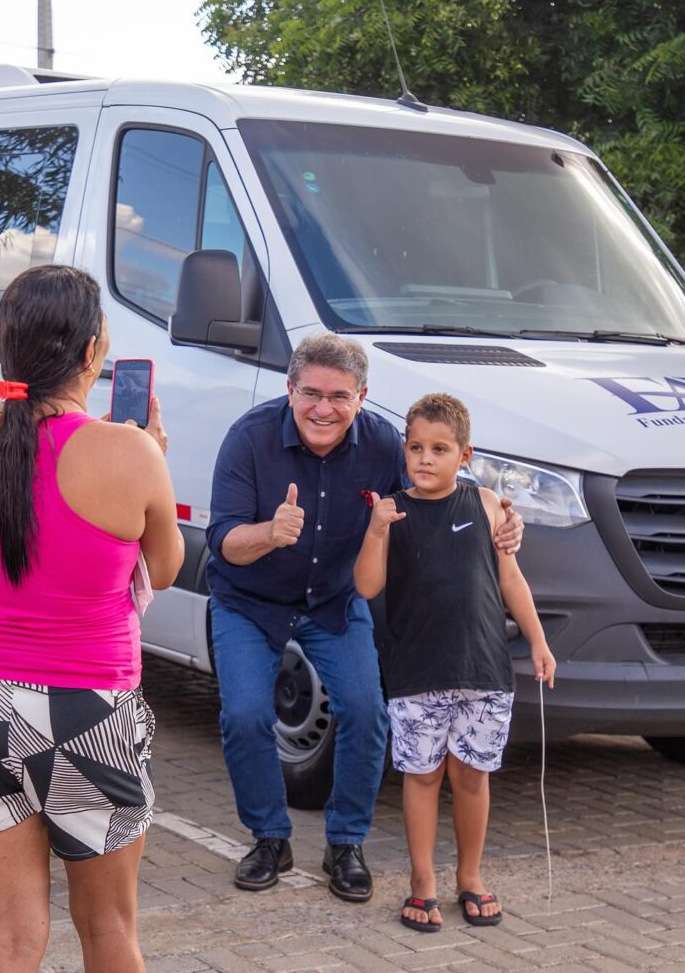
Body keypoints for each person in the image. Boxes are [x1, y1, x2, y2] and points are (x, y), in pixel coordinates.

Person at [0, 265, 184, 973]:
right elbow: (159, 571)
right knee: (107, 932)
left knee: (6, 940)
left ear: (5, 346)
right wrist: (150, 459)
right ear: (93, 351)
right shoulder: (127, 450)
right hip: (85, 706)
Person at [205, 334, 523, 901]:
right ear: (290, 389)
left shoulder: (381, 444)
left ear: (361, 396)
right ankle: (270, 838)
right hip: (250, 602)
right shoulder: (248, 439)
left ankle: (345, 844)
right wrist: (268, 534)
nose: (323, 408)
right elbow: (223, 541)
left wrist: (500, 517)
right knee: (247, 715)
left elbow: (438, 482)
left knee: (367, 712)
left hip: (333, 600)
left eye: (338, 396)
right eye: (311, 393)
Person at [354, 392, 556, 932]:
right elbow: (367, 585)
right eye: (416, 447)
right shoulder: (392, 512)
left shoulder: (487, 505)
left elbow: (511, 580)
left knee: (472, 777)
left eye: (439, 449)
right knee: (421, 778)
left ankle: (471, 876)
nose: (425, 458)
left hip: (483, 671)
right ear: (404, 450)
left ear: (464, 455)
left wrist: (537, 640)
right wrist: (375, 530)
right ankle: (423, 883)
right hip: (416, 672)